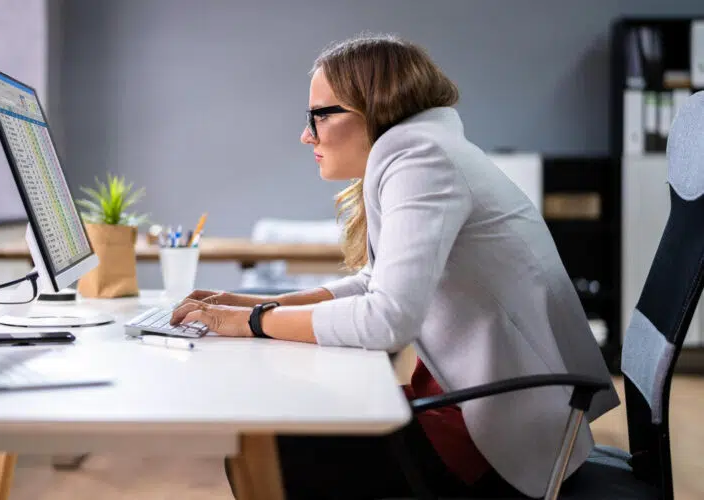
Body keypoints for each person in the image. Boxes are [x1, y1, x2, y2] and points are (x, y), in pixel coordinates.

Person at [170, 33, 620, 499]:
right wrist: (262, 304)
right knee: (272, 432)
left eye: (318, 116)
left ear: (374, 107)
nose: (307, 134)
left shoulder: (421, 160)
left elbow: (388, 319)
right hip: (475, 402)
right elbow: (375, 281)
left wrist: (255, 322)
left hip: (490, 433)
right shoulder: (423, 149)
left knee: (272, 451)